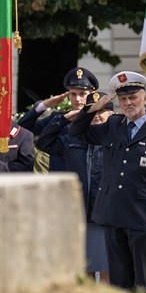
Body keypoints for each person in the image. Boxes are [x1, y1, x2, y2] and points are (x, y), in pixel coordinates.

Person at [70, 71, 146, 293]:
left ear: (145, 98)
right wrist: (93, 108)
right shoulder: (113, 125)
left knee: (143, 281)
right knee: (119, 282)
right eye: (123, 99)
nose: (128, 103)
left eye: (133, 97)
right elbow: (76, 132)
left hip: (143, 215)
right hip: (113, 213)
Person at [37, 91, 114, 281]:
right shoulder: (72, 138)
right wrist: (63, 119)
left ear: (111, 113)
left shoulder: (117, 139)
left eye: (101, 110)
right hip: (80, 212)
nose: (96, 115)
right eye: (92, 110)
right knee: (85, 266)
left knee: (108, 267)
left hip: (106, 213)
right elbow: (44, 143)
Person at [18, 67, 99, 172]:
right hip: (61, 179)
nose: (77, 99)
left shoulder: (99, 119)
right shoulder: (58, 119)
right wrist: (44, 105)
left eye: (82, 94)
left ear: (92, 95)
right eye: (73, 94)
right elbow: (22, 129)